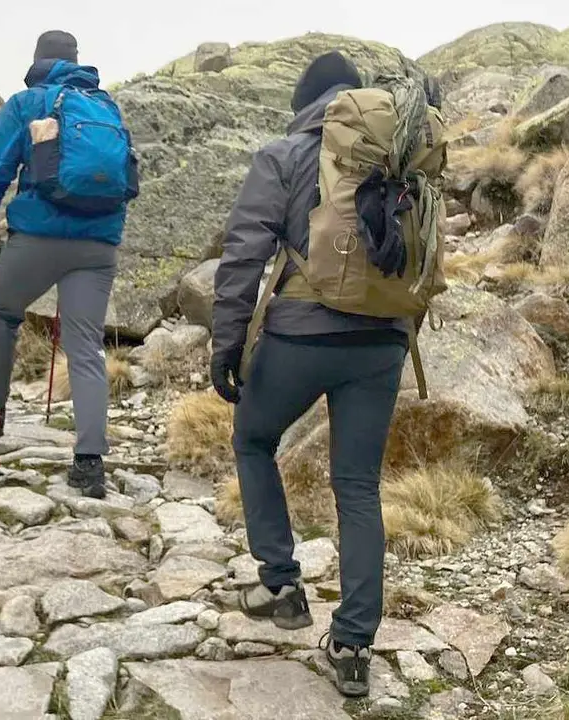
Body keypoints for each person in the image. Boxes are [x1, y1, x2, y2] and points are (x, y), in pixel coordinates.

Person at [210, 51, 412, 698]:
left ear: (306, 101)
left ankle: (282, 587)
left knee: (252, 439)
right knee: (357, 485)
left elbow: (245, 250)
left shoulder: (286, 154)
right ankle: (353, 647)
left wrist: (227, 343)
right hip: (383, 342)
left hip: (301, 337)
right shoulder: (399, 155)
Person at [0, 30, 138, 500]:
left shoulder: (29, 103)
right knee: (85, 346)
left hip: (37, 238)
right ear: (77, 61)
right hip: (97, 247)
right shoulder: (106, 107)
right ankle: (89, 462)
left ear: (38, 60)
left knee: (4, 315)